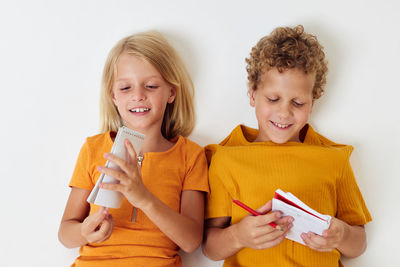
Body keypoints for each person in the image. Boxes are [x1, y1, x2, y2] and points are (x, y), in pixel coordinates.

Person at [202, 25, 372, 267]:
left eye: (298, 102)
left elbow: (359, 243)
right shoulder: (226, 159)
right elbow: (210, 248)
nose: (284, 112)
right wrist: (237, 235)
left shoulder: (334, 159)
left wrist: (342, 234)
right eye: (273, 99)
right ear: (252, 95)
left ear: (312, 103)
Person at [58, 31, 209, 267]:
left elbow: (191, 241)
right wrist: (85, 232)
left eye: (150, 86)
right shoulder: (93, 148)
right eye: (126, 88)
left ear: (171, 92)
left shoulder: (191, 157)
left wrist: (144, 198)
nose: (138, 96)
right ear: (113, 96)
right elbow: (65, 232)